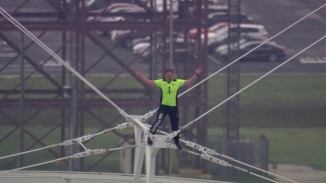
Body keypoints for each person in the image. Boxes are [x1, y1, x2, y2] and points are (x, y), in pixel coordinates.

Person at [134, 66, 203, 150]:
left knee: (175, 126)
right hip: (164, 107)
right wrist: (140, 75)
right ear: (165, 76)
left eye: (170, 76)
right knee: (158, 121)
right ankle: (150, 137)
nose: (169, 77)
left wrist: (196, 74)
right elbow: (149, 83)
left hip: (173, 107)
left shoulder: (177, 82)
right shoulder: (161, 82)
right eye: (168, 76)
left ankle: (177, 142)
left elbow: (189, 81)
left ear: (172, 75)